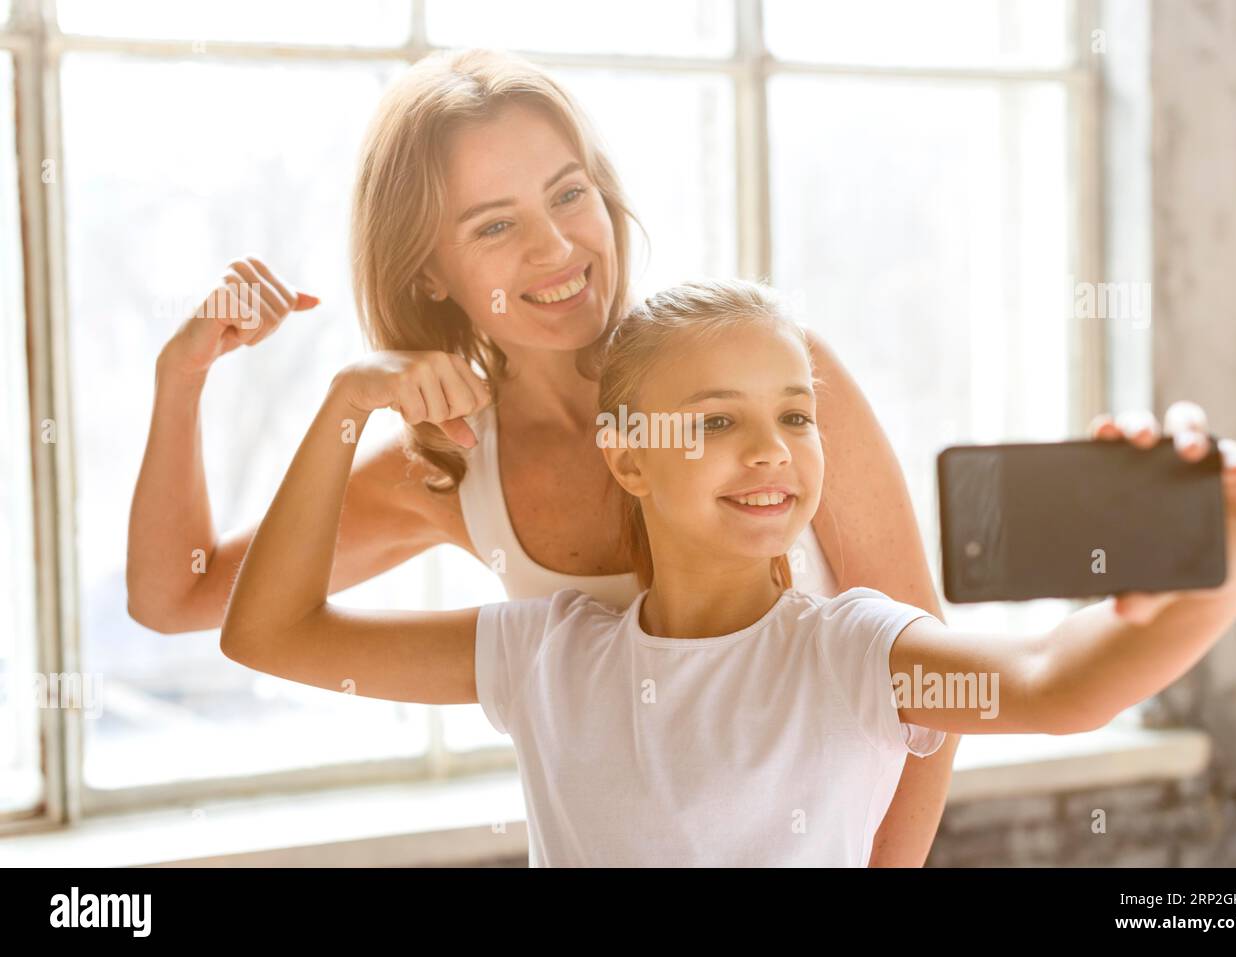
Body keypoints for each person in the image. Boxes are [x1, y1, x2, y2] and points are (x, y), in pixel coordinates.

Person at [127, 48, 960, 864]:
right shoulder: (449, 469)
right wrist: (183, 378)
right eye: (495, 224)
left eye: (569, 194)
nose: (556, 247)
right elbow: (179, 594)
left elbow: (933, 688)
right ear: (426, 272)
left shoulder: (766, 376)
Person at [218, 277, 1236, 867]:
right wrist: (348, 403)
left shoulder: (852, 650)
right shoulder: (545, 654)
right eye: (717, 421)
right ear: (626, 455)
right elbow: (269, 633)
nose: (770, 448)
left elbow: (1059, 684)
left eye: (795, 417)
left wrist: (1233, 558)